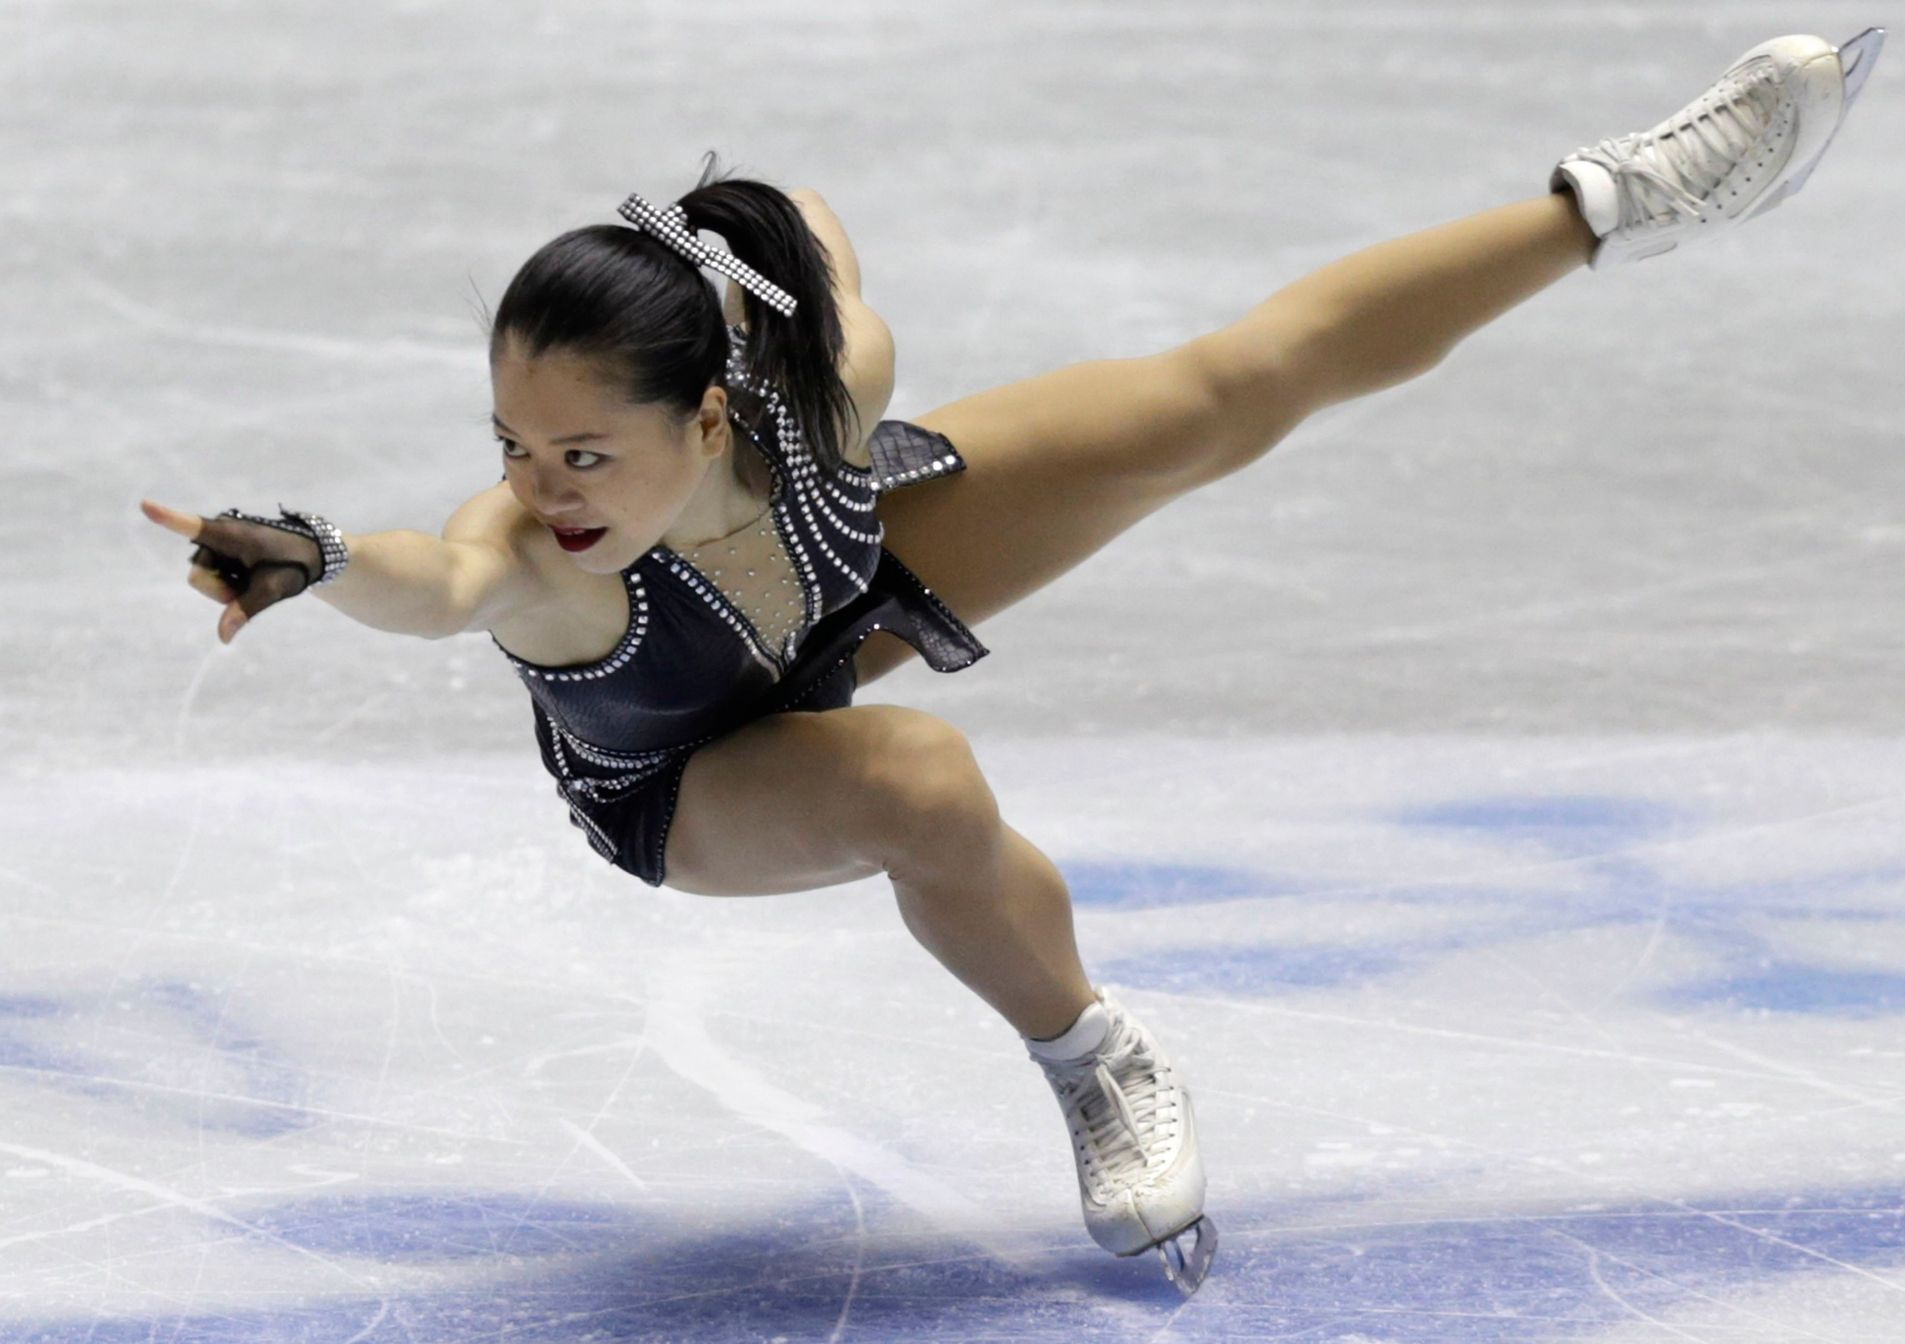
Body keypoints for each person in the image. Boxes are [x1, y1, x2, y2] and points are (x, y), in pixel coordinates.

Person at [141, 29, 1884, 1294]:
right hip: (687, 781)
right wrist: (306, 560)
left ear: (714, 412)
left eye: (585, 450)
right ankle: (1091, 1056)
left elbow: (811, 237)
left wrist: (780, 253)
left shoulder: (826, 405)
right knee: (919, 782)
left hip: (834, 586)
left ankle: (1613, 202)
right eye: (517, 438)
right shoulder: (533, 561)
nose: (540, 483)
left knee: (1223, 392)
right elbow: (429, 585)